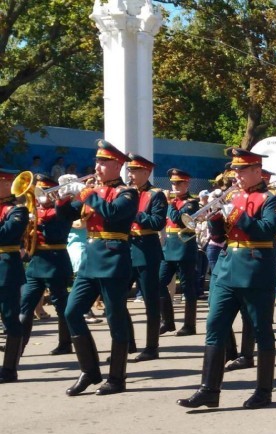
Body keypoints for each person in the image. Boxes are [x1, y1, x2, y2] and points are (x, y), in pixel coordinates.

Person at [177, 147, 276, 409]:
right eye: (234, 169)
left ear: (257, 171)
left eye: (241, 170)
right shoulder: (233, 196)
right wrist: (214, 217)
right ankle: (208, 389)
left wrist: (234, 213)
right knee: (215, 327)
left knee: (262, 331)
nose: (235, 175)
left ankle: (263, 391)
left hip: (256, 271)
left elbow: (267, 230)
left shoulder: (272, 198)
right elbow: (219, 237)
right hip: (226, 268)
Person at [61, 140, 138, 395]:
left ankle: (117, 378)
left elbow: (112, 213)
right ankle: (89, 371)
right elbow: (68, 216)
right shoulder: (93, 190)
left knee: (115, 319)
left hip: (114, 260)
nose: (98, 166)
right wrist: (62, 199)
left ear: (117, 164)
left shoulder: (128, 193)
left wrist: (87, 194)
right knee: (72, 312)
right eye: (97, 161)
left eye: (103, 162)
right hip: (90, 261)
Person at [18, 174, 81, 358]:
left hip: (56, 261)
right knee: (25, 303)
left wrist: (37, 220)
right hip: (36, 263)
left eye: (44, 191)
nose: (40, 196)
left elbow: (56, 231)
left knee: (61, 305)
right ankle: (18, 346)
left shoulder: (62, 209)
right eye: (39, 192)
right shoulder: (34, 210)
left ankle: (65, 343)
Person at [125, 154, 168, 361]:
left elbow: (157, 222)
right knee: (116, 299)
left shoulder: (156, 195)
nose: (130, 175)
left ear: (146, 172)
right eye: (129, 170)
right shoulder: (124, 192)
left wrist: (133, 212)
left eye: (134, 171)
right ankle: (127, 343)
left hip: (146, 250)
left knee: (151, 301)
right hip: (125, 250)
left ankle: (152, 347)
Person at [158, 168, 200, 335]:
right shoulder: (172, 202)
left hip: (184, 248)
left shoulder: (192, 203)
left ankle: (190, 325)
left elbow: (177, 219)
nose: (174, 186)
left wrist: (168, 203)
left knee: (187, 288)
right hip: (168, 248)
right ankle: (167, 321)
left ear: (186, 184)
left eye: (178, 183)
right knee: (158, 283)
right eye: (173, 183)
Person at [0, 168, 29, 383]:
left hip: (6, 270)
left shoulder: (17, 211)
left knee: (10, 318)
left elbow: (6, 234)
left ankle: (9, 369)